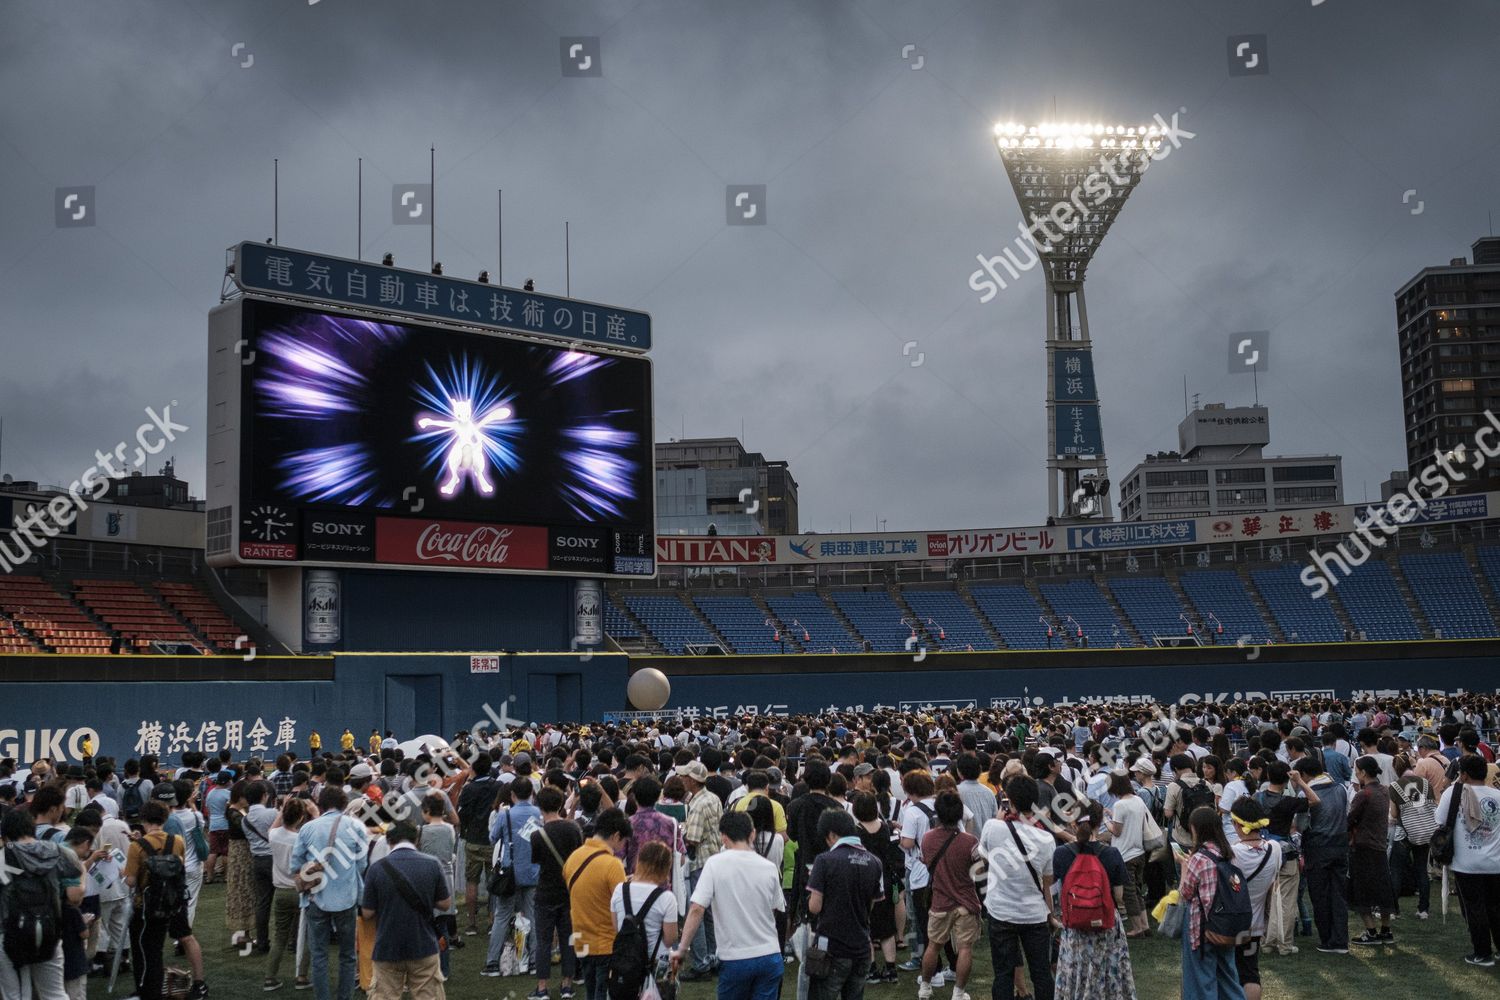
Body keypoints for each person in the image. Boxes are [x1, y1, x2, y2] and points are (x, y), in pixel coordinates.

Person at [672, 811, 785, 1000]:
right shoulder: (769, 867)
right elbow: (775, 909)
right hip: (769, 954)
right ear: (753, 833)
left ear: (723, 837)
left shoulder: (715, 865)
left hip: (735, 958)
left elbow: (697, 908)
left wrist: (683, 948)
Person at [979, 775, 1057, 1000]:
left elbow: (984, 858)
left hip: (1001, 912)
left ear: (1008, 799)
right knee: (1041, 973)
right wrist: (1051, 914)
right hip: (1034, 915)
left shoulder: (993, 827)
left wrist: (998, 820)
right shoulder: (1045, 839)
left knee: (1003, 974)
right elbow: (1047, 882)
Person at [290, 786, 371, 1000]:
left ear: (321, 804)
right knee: (347, 955)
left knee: (319, 956)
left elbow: (295, 865)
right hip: (347, 896)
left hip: (314, 898)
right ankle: (345, 996)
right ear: (344, 804)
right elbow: (362, 864)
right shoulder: (357, 826)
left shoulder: (308, 828)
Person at [1051, 800, 1136, 1000]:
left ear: (1074, 822)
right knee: (1108, 973)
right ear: (1099, 823)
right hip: (1105, 926)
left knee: (1075, 973)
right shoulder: (1111, 854)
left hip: (1075, 927)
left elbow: (1055, 889)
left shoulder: (1061, 854)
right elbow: (1118, 896)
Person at [124, 799, 208, 1000]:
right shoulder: (176, 841)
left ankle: (149, 990)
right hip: (175, 898)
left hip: (147, 904)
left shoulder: (136, 847)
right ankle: (199, 983)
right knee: (186, 936)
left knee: (148, 950)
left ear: (143, 819)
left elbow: (130, 880)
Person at [0, 806, 86, 1000]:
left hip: (8, 933)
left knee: (13, 995)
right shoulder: (59, 851)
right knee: (55, 993)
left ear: (5, 836)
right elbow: (76, 873)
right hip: (49, 929)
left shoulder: (3, 857)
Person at [359, 821, 451, 1000]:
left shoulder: (376, 869)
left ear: (388, 840)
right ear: (416, 839)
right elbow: (445, 904)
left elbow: (367, 913)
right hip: (423, 944)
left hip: (387, 946)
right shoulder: (432, 864)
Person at [1434, 754, 1500, 967]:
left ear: (1463, 774)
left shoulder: (1454, 793)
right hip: (1495, 861)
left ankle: (1482, 952)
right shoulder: (1497, 795)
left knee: (1474, 908)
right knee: (1495, 907)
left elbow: (1440, 820)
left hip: (1466, 862)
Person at [1176, 806, 1245, 1000]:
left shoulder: (1198, 859)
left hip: (1202, 926)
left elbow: (1185, 892)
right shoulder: (1230, 854)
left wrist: (1184, 866)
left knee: (1201, 982)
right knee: (1228, 979)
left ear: (1195, 829)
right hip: (1227, 925)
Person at [917, 792, 980, 1000]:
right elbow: (979, 870)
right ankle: (958, 992)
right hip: (966, 902)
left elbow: (925, 861)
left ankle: (925, 987)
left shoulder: (927, 839)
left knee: (933, 945)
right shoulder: (970, 841)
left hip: (940, 901)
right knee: (964, 948)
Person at [563, 807, 631, 1000]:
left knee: (590, 990)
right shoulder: (612, 864)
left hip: (580, 937)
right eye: (624, 841)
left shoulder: (574, 857)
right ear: (617, 835)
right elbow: (621, 904)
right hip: (605, 941)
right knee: (602, 992)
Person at [1253, 761, 1316, 955]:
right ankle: (1284, 944)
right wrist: (1300, 781)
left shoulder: (1257, 798)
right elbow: (1314, 800)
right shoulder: (1289, 801)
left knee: (1265, 900)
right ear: (1286, 778)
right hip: (1285, 853)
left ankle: (1266, 941)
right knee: (1287, 901)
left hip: (1262, 852)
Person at [483, 772, 540, 977]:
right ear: (532, 793)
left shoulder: (505, 814)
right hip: (533, 871)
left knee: (502, 917)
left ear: (513, 794)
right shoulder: (539, 814)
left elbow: (492, 838)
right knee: (532, 915)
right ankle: (533, 961)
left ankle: (492, 963)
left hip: (510, 872)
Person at [1293, 756, 1349, 954]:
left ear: (1305, 775)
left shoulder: (1306, 794)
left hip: (1318, 847)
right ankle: (1341, 939)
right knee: (1339, 895)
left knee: (1320, 895)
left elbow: (1300, 825)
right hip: (1340, 846)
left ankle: (1328, 939)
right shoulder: (1341, 788)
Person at [1227, 799, 1281, 1000]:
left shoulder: (1233, 853)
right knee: (1250, 971)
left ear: (1237, 824)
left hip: (1233, 923)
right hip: (1256, 925)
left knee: (1229, 971)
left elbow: (1230, 884)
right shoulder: (1274, 849)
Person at [610, 841, 680, 990]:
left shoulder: (619, 890)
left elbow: (617, 929)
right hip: (656, 963)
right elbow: (669, 940)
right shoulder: (667, 898)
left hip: (626, 961)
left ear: (639, 861)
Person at [677, 760, 723, 981]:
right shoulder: (712, 798)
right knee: (710, 915)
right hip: (714, 858)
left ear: (693, 780)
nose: (682, 779)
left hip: (700, 863)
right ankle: (713, 957)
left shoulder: (698, 803)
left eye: (685, 776)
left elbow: (693, 839)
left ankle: (701, 962)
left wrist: (679, 835)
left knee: (695, 912)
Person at [266, 797, 314, 991]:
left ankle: (270, 977)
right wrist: (315, 813)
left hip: (281, 891)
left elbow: (274, 827)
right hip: (301, 890)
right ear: (301, 817)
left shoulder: (274, 835)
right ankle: (301, 976)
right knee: (307, 935)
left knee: (280, 936)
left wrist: (283, 808)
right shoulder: (301, 839)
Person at [1347, 756, 1396, 946]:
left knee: (1362, 892)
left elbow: (1350, 819)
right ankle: (1385, 929)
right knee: (1383, 890)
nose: (1356, 773)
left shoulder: (1363, 794)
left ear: (1363, 772)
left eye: (1357, 770)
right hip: (1379, 846)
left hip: (1363, 846)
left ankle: (1370, 931)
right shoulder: (1384, 791)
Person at [1388, 753, 1436, 920]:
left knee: (1396, 871)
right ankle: (1423, 910)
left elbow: (1394, 814)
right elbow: (1431, 806)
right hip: (1424, 831)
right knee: (1421, 870)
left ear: (1396, 769)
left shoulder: (1394, 786)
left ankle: (1394, 910)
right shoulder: (1425, 783)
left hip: (1404, 833)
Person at [417, 794, 459, 982]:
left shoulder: (421, 831)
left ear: (426, 811)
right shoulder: (450, 828)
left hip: (426, 878)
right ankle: (444, 969)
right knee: (442, 925)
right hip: (446, 877)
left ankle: (428, 968)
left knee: (426, 925)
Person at [1104, 772, 1150, 938]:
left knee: (1128, 894)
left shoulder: (1120, 805)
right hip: (1139, 851)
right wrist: (1112, 815)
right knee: (1137, 890)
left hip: (1125, 854)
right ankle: (1144, 925)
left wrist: (1106, 821)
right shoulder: (1137, 799)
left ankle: (1137, 928)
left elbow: (1116, 831)